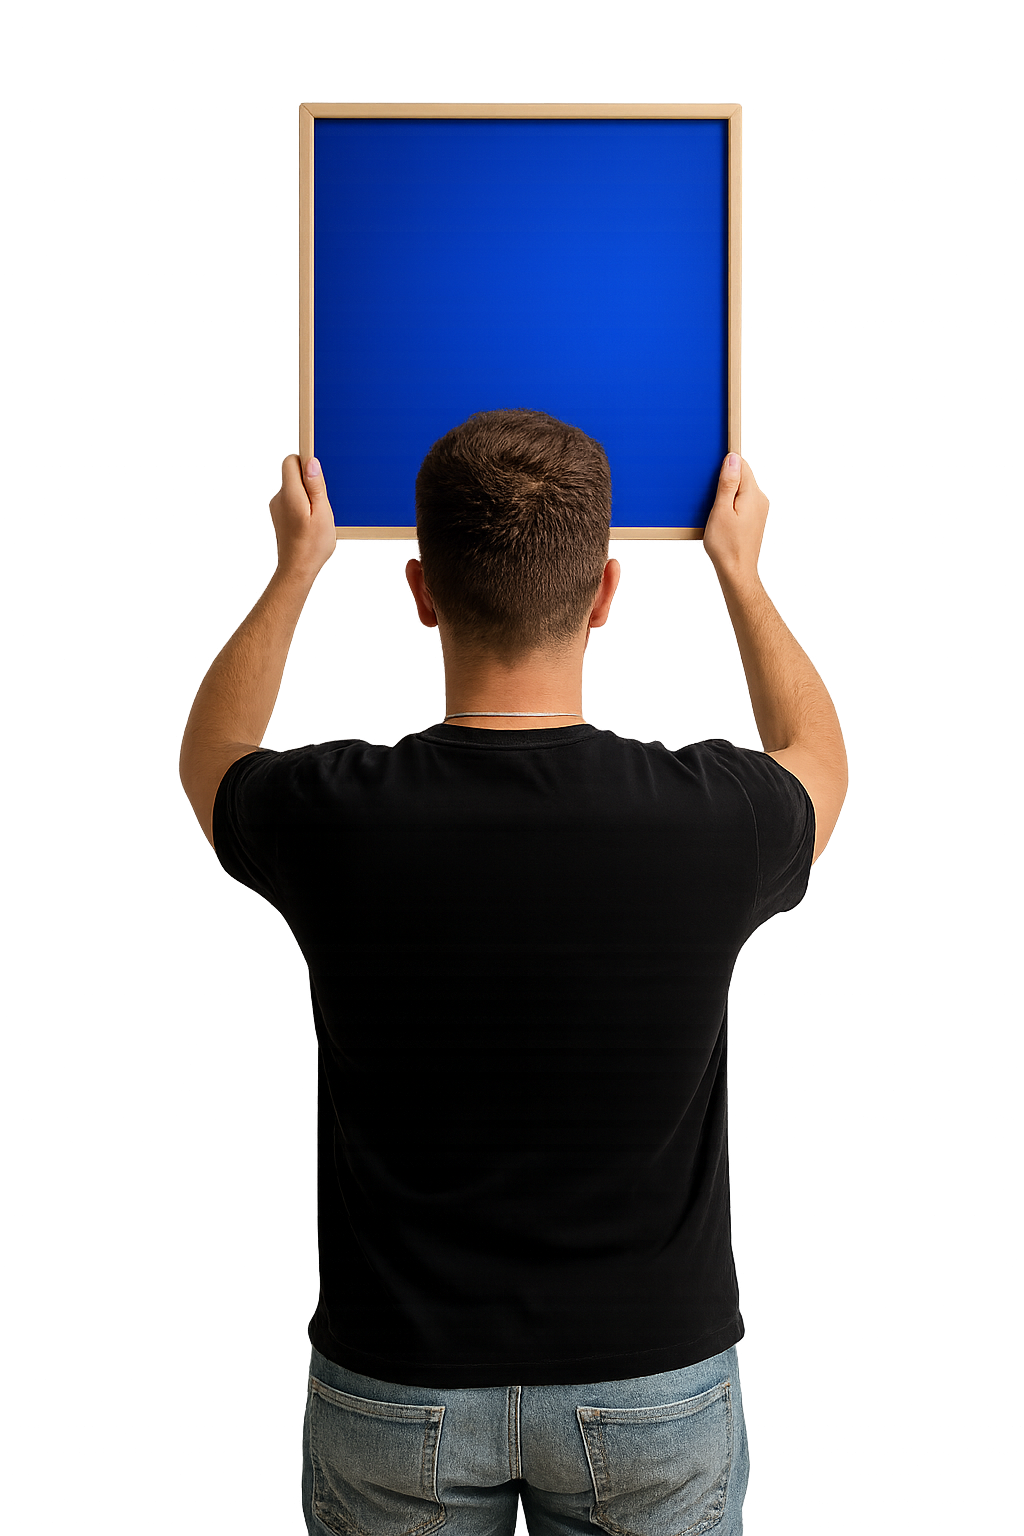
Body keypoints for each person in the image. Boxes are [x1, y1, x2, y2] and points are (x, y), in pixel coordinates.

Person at [180, 409, 846, 1536]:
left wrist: (295, 571)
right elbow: (824, 758)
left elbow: (212, 760)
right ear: (604, 595)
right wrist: (740, 575)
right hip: (650, 1392)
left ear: (422, 594)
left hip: (400, 1388)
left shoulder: (332, 815)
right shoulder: (710, 820)